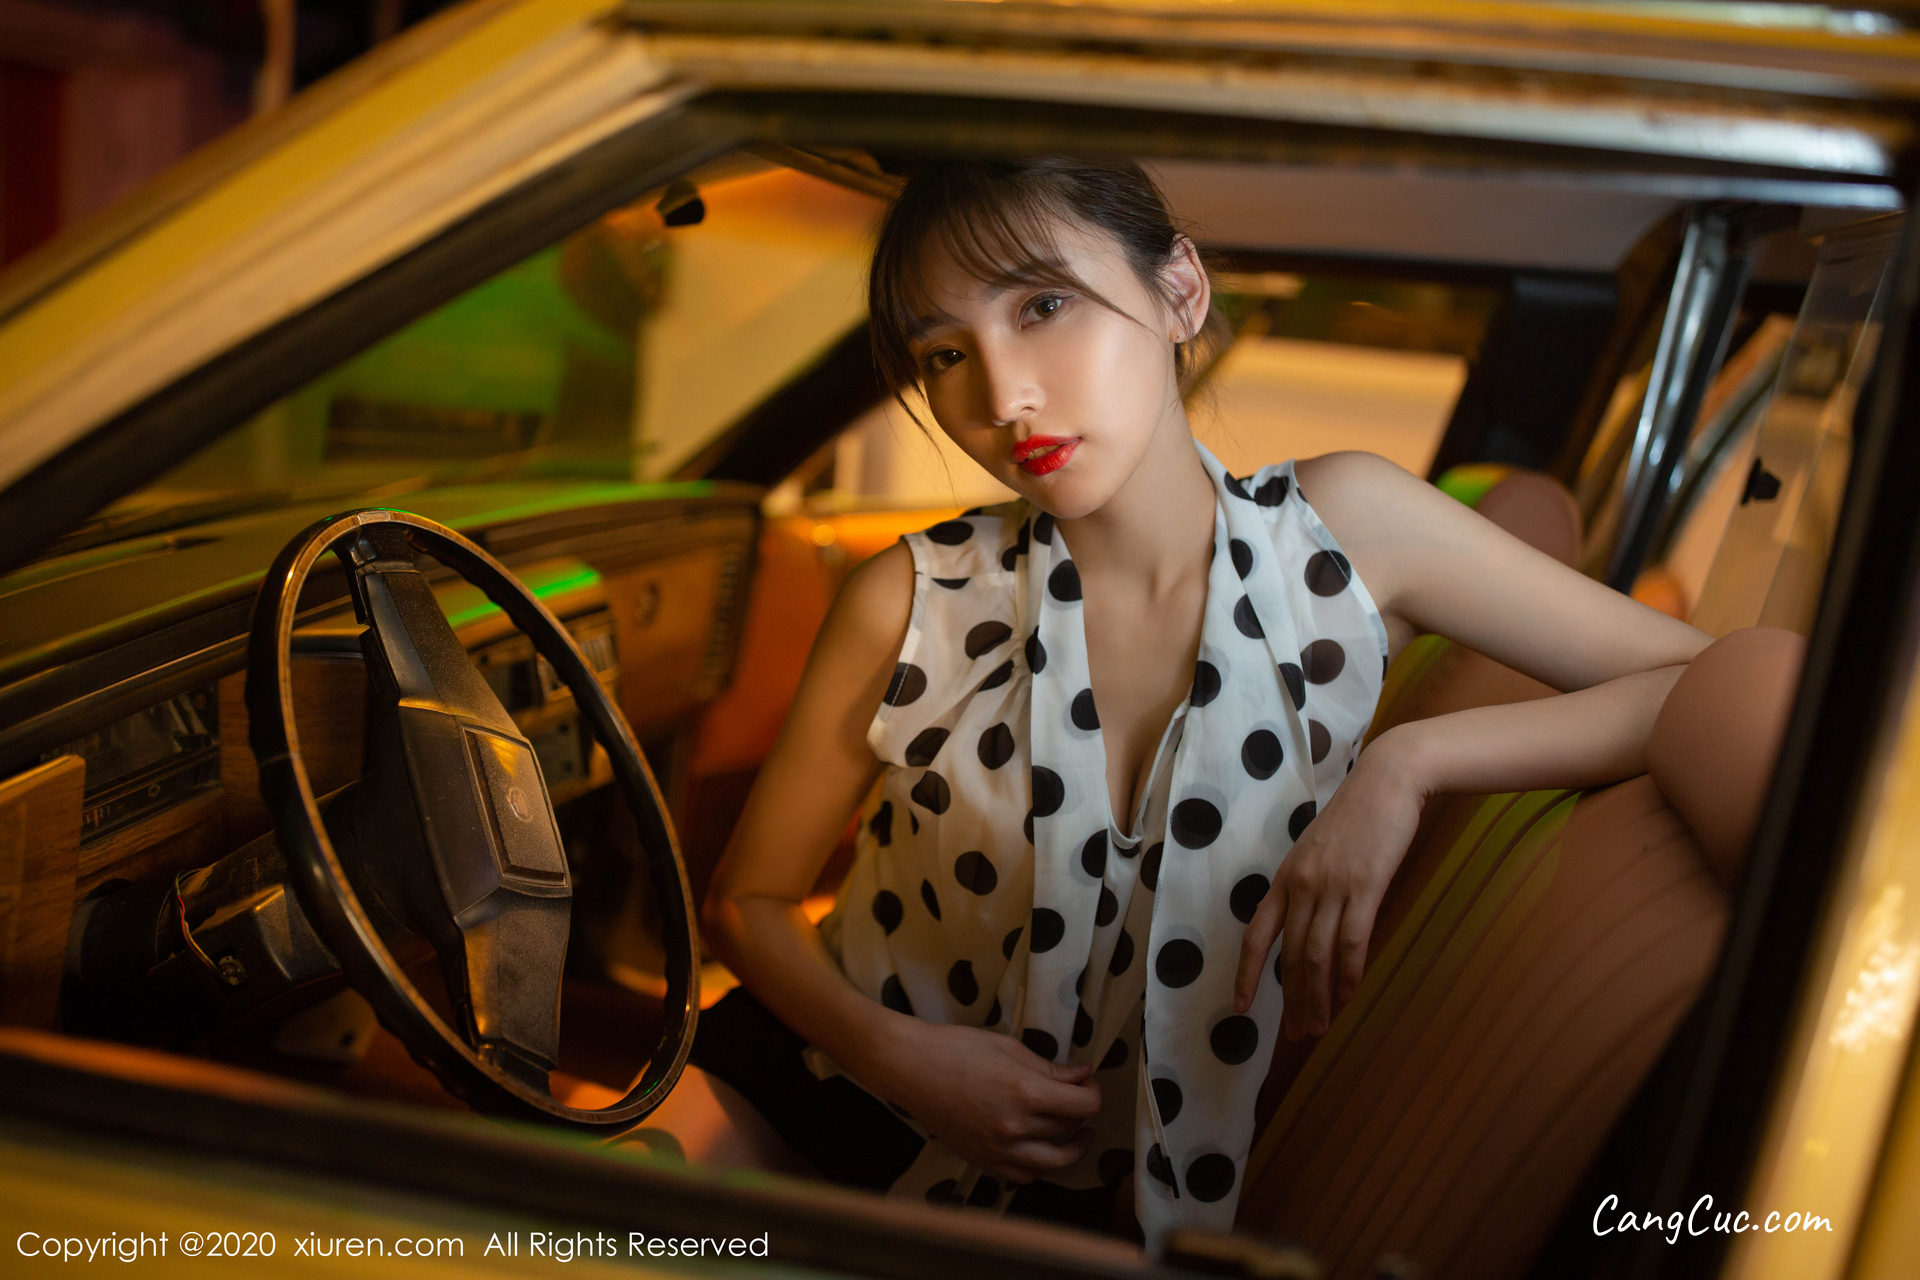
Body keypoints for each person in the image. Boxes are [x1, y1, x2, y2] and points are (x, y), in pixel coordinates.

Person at [633, 158, 1710, 1246]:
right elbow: (747, 903)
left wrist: (1411, 763)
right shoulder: (909, 599)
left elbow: (1715, 682)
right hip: (824, 1078)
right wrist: (902, 1058)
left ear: (1180, 291)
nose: (1002, 398)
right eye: (946, 354)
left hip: (1091, 1189)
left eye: (1042, 305)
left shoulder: (1344, 532)